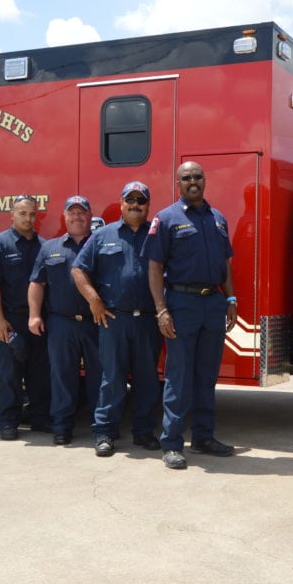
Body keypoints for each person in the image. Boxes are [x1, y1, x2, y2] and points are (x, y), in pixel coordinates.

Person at [143, 163, 237, 469]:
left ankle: (203, 438)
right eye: (187, 178)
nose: (193, 181)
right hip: (181, 303)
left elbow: (225, 264)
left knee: (207, 375)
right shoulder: (167, 219)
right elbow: (155, 267)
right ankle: (171, 443)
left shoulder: (217, 218)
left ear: (205, 180)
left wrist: (231, 298)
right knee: (178, 376)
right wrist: (161, 309)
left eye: (197, 177)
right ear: (178, 183)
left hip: (213, 304)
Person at [72, 181, 162, 458]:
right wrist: (94, 301)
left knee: (148, 380)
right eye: (130, 199)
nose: (135, 204)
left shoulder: (157, 235)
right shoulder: (103, 235)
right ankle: (104, 432)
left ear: (147, 205)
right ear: (121, 203)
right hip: (114, 320)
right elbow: (78, 270)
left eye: (141, 200)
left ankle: (143, 431)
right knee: (111, 378)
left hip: (148, 321)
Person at [28, 195, 102, 446]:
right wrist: (35, 314)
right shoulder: (50, 248)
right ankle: (62, 426)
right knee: (62, 375)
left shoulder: (100, 244)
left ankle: (100, 427)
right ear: (64, 216)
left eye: (82, 212)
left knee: (99, 375)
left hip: (97, 322)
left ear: (90, 216)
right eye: (72, 212)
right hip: (61, 322)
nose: (77, 216)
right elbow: (37, 283)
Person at [0, 194, 51, 440]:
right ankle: (8, 421)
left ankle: (40, 418)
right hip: (10, 319)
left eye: (32, 214)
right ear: (11, 215)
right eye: (22, 213)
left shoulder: (44, 245)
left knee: (39, 372)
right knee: (9, 374)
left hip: (39, 319)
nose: (28, 218)